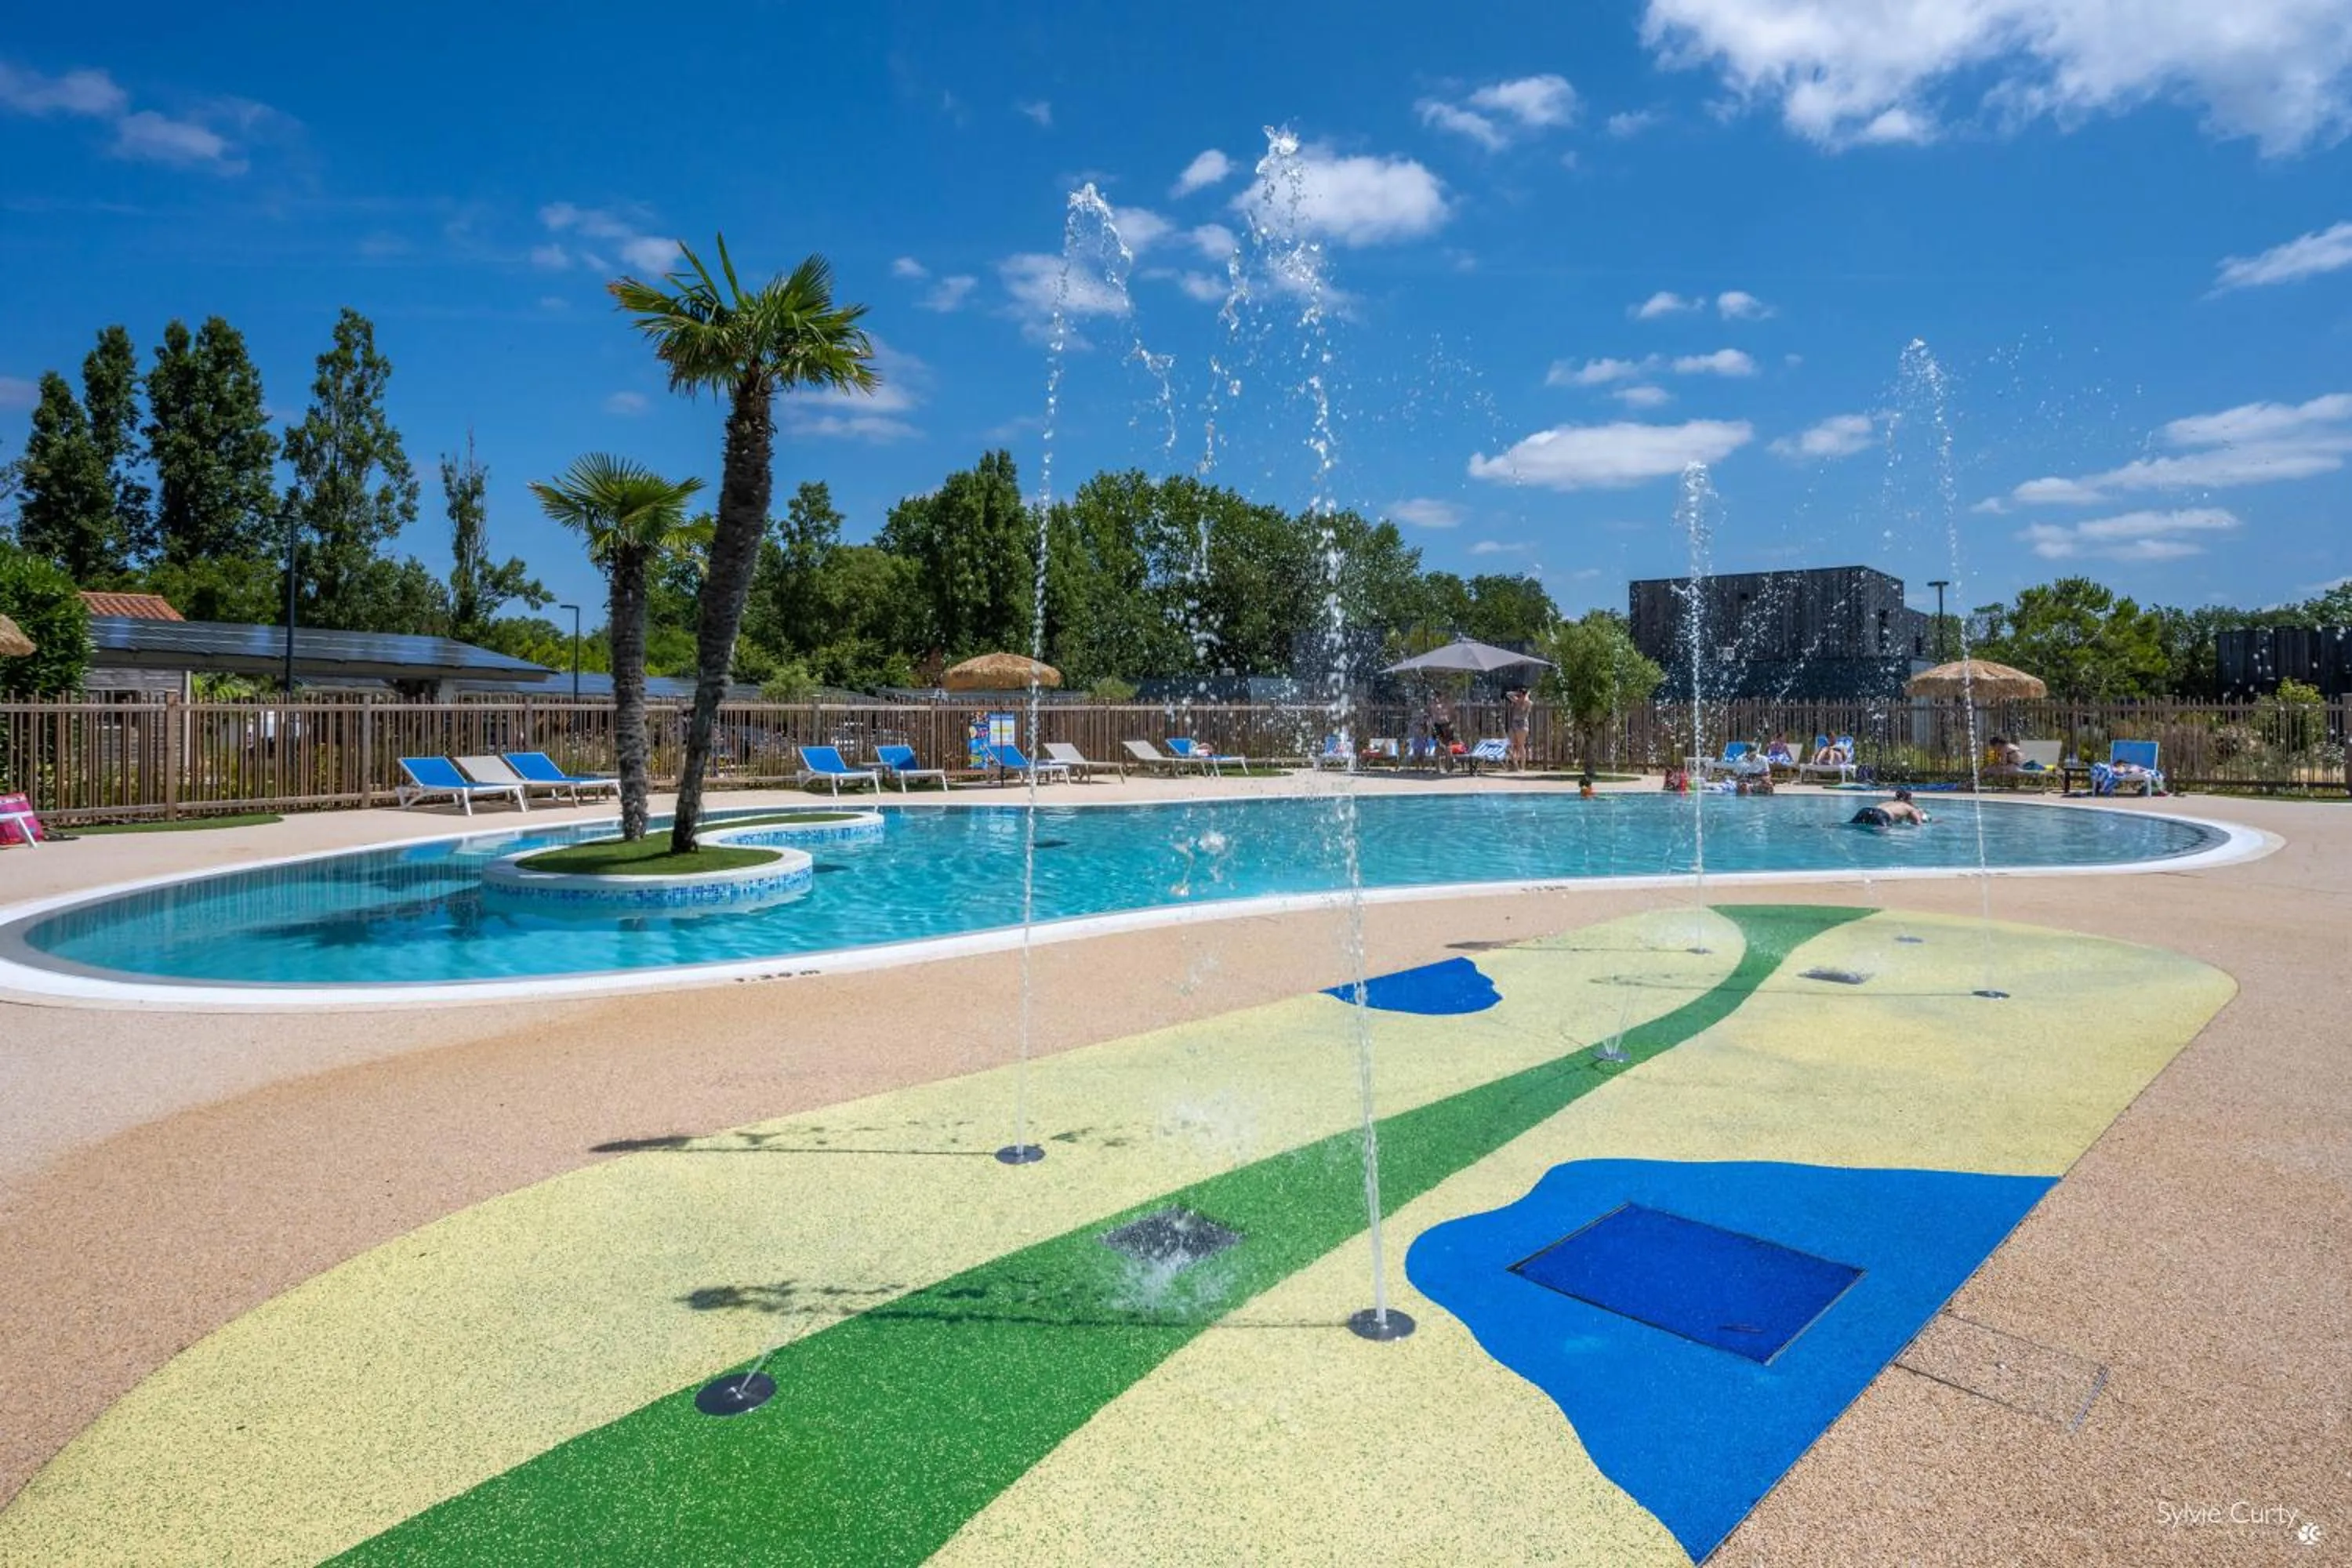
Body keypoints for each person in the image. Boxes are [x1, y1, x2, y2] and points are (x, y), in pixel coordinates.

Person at [1850, 786, 1930, 828]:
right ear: (1909, 800)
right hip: (1881, 815)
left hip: (1866, 810)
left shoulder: (1889, 803)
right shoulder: (1909, 807)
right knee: (1884, 834)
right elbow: (1918, 823)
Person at [1504, 687, 1532, 770]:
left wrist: (1526, 695)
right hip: (1514, 724)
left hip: (1522, 725)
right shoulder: (1516, 701)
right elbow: (1507, 694)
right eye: (1519, 695)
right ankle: (1515, 765)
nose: (1519, 697)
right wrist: (1516, 693)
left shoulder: (1528, 703)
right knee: (1510, 745)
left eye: (1521, 695)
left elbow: (1528, 702)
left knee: (1520, 745)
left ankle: (1522, 767)